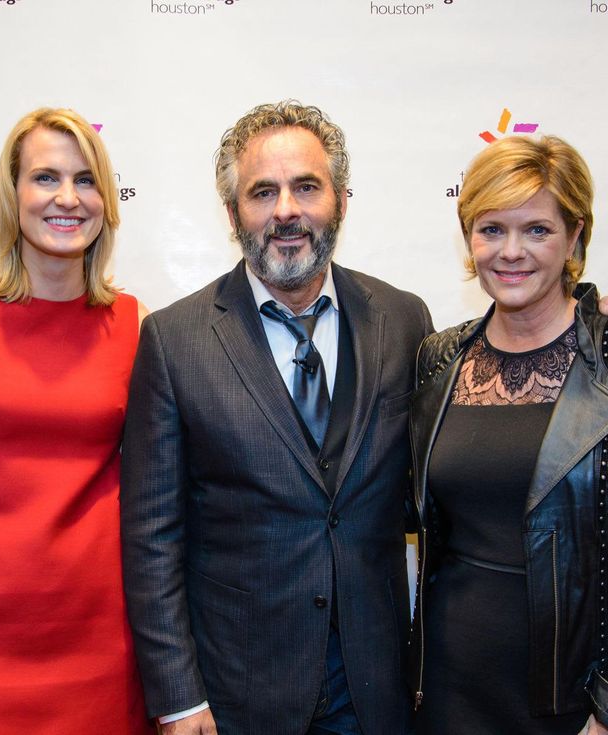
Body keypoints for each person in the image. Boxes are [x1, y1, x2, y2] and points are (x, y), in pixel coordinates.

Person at [120, 100, 434, 735]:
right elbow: (153, 536)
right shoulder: (174, 339)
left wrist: (587, 315)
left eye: (306, 187)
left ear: (341, 201)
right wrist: (180, 700)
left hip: (375, 689)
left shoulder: (403, 321)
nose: (286, 210)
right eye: (263, 191)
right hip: (239, 692)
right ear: (234, 211)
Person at [0, 107, 151, 733]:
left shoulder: (137, 326)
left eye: (87, 180)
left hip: (98, 633)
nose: (68, 198)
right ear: (12, 195)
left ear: (107, 202)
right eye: (45, 177)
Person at [409, 135, 608, 734]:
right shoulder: (439, 358)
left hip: (581, 705)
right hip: (448, 691)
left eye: (538, 230)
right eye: (491, 228)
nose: (511, 252)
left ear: (575, 236)